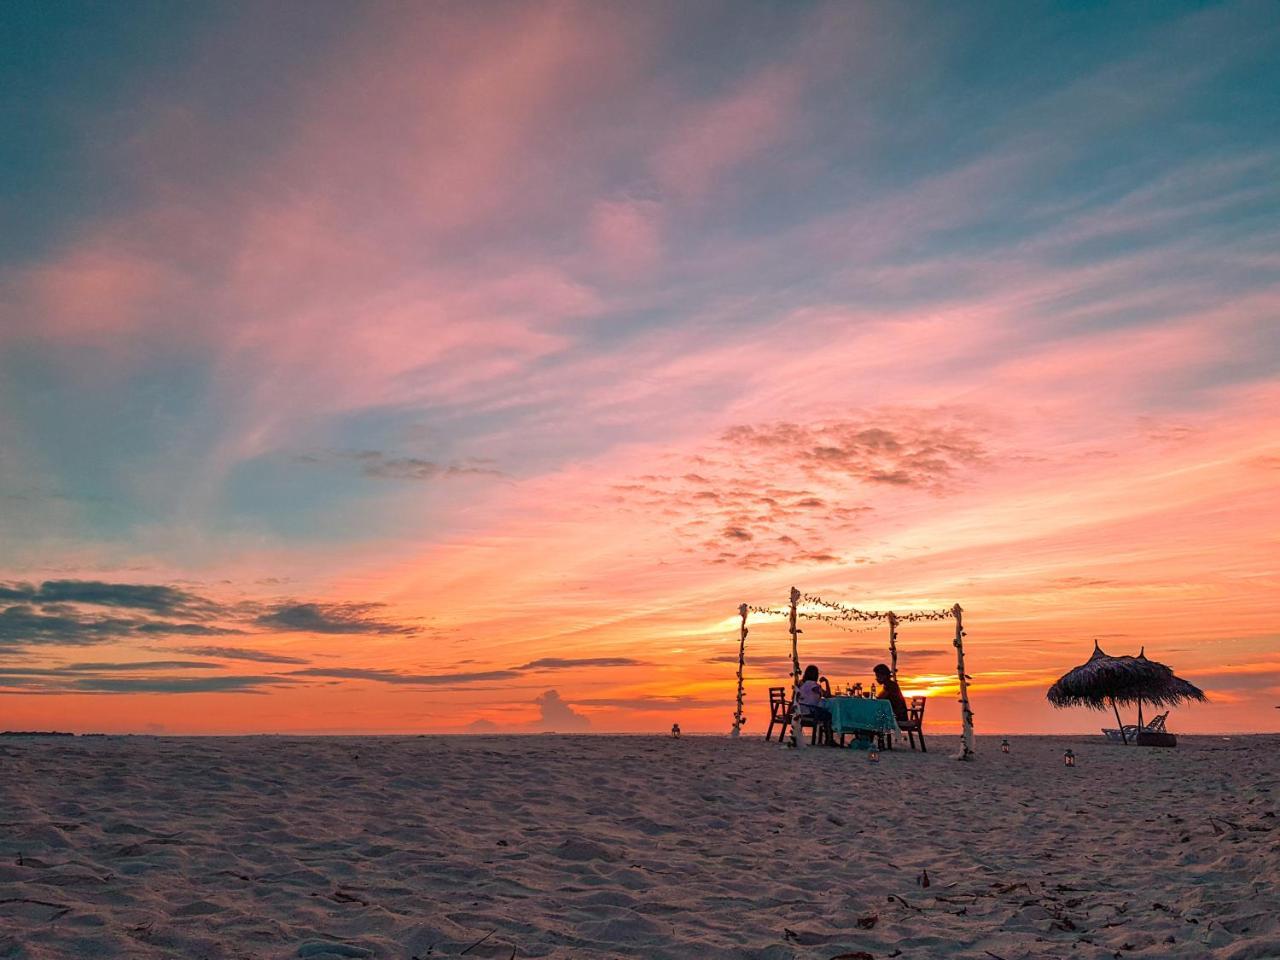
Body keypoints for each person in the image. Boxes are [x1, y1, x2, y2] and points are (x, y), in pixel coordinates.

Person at [795, 665, 834, 745]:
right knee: (829, 715)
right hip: (810, 712)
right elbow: (828, 695)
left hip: (801, 711)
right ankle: (829, 739)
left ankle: (824, 740)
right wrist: (826, 682)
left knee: (824, 713)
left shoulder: (802, 684)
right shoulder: (814, 686)